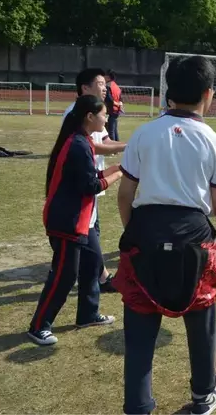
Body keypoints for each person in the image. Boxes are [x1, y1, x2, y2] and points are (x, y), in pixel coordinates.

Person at [114, 55, 216, 415]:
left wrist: (138, 233)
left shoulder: (143, 134)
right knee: (201, 319)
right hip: (195, 242)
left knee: (140, 329)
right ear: (209, 94)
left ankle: (138, 405)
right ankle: (204, 395)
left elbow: (125, 195)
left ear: (169, 92)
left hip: (144, 234)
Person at [28, 95, 122, 346]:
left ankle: (88, 314)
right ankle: (39, 325)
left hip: (82, 219)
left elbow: (89, 176)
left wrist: (113, 169)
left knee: (92, 264)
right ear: (90, 117)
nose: (107, 118)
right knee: (64, 275)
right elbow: (90, 185)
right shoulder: (78, 144)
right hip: (67, 220)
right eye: (104, 114)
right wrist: (118, 175)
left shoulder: (83, 142)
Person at [64, 68, 127, 293]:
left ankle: (96, 276)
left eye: (104, 83)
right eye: (100, 83)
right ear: (85, 88)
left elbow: (106, 141)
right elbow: (93, 145)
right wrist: (128, 147)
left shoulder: (99, 111)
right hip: (85, 184)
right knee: (88, 233)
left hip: (95, 179)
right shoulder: (74, 113)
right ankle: (97, 277)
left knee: (92, 232)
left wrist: (121, 149)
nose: (105, 87)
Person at [104, 69, 123, 141]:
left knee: (110, 129)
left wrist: (116, 103)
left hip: (112, 109)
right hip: (116, 110)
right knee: (114, 129)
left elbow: (108, 98)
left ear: (108, 77)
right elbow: (121, 98)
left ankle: (113, 148)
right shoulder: (116, 86)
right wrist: (119, 104)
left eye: (104, 76)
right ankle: (117, 144)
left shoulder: (108, 86)